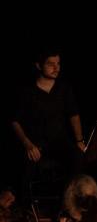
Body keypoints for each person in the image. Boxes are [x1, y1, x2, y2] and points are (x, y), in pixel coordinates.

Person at [13, 53, 85, 190]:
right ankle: (23, 205)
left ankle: (70, 202)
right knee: (26, 165)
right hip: (37, 143)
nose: (56, 68)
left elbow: (74, 114)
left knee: (78, 156)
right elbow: (15, 121)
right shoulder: (27, 91)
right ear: (39, 66)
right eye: (50, 64)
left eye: (58, 64)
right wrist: (27, 144)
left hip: (60, 141)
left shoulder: (64, 87)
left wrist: (79, 140)